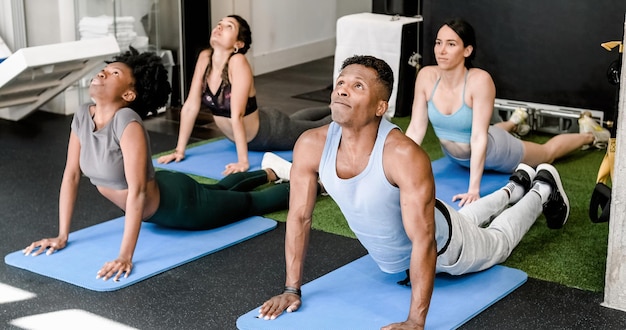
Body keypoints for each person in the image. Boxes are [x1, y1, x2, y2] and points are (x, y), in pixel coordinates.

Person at [257, 55, 570, 329]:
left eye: (358, 86)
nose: (342, 89)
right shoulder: (311, 145)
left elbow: (426, 240)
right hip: (431, 222)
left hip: (449, 249)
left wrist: (415, 321)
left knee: (498, 240)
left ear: (382, 107)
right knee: (461, 217)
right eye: (340, 82)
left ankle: (541, 189)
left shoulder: (403, 156)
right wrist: (291, 289)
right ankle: (514, 187)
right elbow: (298, 218)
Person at [22, 47, 295, 282]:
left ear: (129, 95)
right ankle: (270, 172)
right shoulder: (82, 115)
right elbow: (71, 175)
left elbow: (138, 192)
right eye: (106, 70)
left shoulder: (126, 122)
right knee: (222, 189)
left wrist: (124, 257)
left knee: (249, 205)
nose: (104, 73)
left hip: (180, 207)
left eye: (115, 74)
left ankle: (310, 185)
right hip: (166, 188)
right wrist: (61, 235)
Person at [405, 18, 609, 207]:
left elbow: (478, 137)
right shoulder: (426, 76)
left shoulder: (479, 81)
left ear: (467, 50)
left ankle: (590, 135)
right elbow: (415, 129)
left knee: (547, 154)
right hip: (454, 157)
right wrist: (399, 168)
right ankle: (515, 122)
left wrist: (473, 189)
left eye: (451, 44)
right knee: (489, 129)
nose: (441, 50)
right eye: (438, 42)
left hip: (495, 153)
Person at [156, 15, 332, 175]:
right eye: (219, 24)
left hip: (268, 132)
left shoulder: (237, 62)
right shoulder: (205, 57)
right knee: (297, 120)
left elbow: (237, 115)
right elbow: (190, 106)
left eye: (229, 26)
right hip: (252, 131)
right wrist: (179, 150)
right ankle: (329, 106)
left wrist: (243, 161)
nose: (219, 27)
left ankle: (344, 112)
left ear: (238, 44)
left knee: (316, 128)